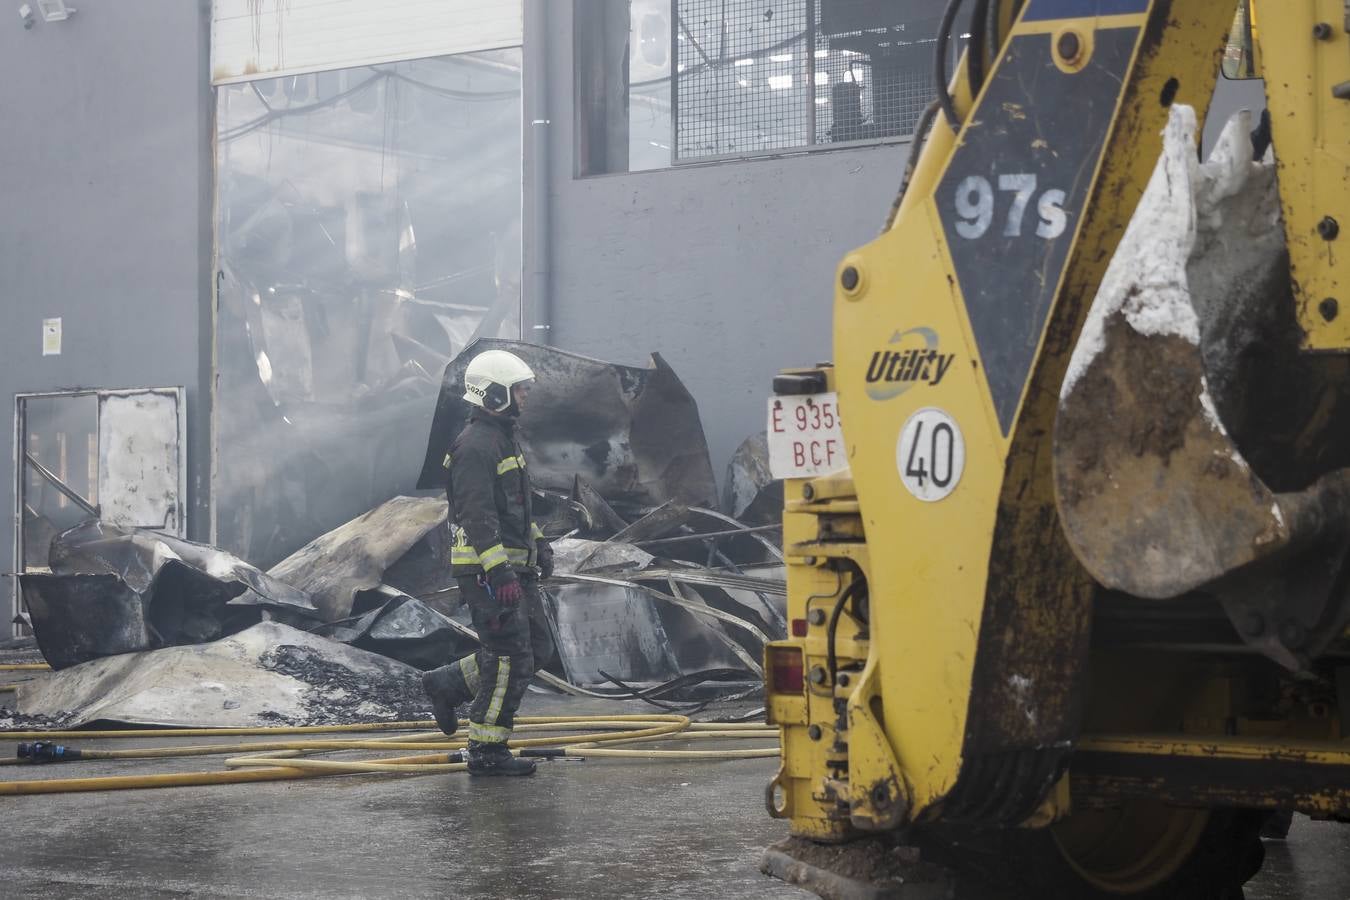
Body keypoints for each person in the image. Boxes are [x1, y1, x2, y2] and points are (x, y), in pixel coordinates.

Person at [421, 349, 555, 777]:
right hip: (487, 575)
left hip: (515, 571)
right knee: (509, 656)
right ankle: (486, 750)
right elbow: (478, 516)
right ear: (495, 394)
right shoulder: (476, 445)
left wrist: (539, 546)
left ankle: (446, 684)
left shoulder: (502, 439)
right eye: (518, 390)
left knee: (535, 648)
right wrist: (498, 571)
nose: (524, 398)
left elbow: (516, 509)